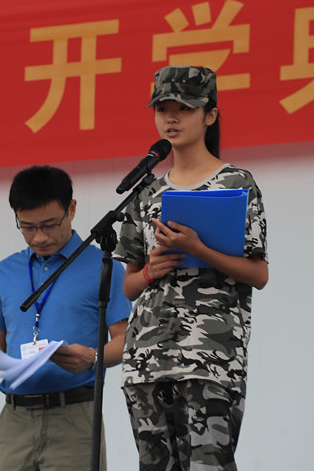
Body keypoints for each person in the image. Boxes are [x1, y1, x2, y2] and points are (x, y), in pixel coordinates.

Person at [115, 66, 268, 471]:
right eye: (162, 109)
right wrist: (151, 271)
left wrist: (198, 249)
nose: (171, 118)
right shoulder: (146, 192)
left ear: (210, 115)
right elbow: (129, 286)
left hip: (210, 358)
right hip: (147, 358)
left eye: (184, 108)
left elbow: (258, 274)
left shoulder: (236, 183)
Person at [0, 165, 132, 471]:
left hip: (75, 416)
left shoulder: (104, 266)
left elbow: (126, 341)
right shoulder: (5, 271)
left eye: (50, 225)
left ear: (72, 209)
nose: (39, 237)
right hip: (15, 419)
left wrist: (93, 357)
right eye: (27, 227)